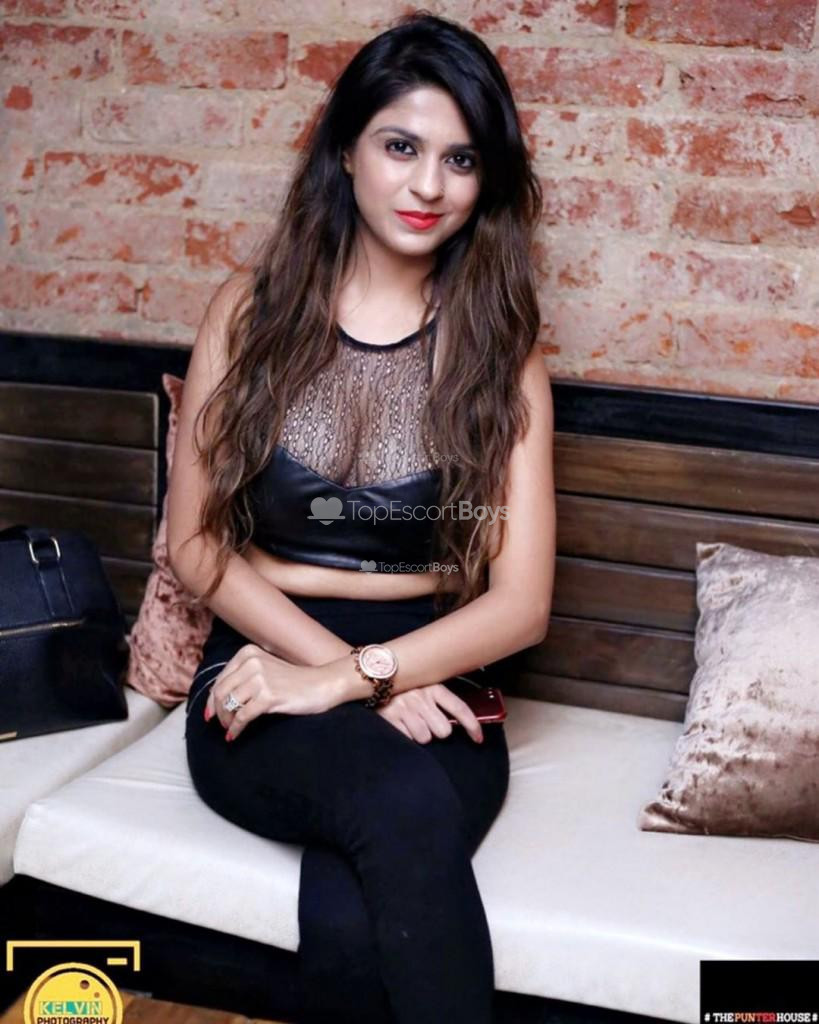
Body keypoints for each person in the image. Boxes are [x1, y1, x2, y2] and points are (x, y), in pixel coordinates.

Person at [167, 10, 556, 1024]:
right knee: (399, 804)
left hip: (435, 670)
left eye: (459, 159)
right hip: (260, 658)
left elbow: (521, 606)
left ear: (486, 180)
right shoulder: (248, 313)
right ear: (345, 150)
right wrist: (321, 669)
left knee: (357, 904)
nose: (429, 186)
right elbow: (195, 544)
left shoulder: (499, 350)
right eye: (400, 147)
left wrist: (362, 678)